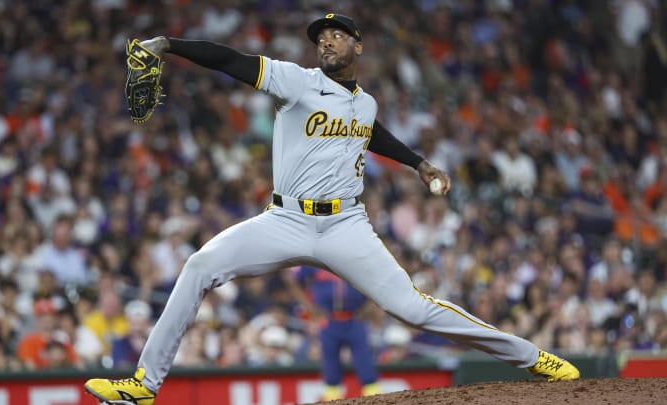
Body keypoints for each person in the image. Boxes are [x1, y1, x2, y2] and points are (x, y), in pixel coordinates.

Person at [85, 13, 579, 405]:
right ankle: (143, 385)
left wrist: (419, 163)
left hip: (345, 223)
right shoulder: (296, 81)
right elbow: (231, 60)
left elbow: (371, 131)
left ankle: (533, 358)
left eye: (337, 35)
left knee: (412, 308)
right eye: (321, 36)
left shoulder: (366, 104)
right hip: (285, 219)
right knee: (199, 266)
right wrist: (170, 45)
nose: (326, 42)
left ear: (357, 47)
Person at [287, 266, 380, 401]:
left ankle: (376, 400)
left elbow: (379, 280)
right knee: (331, 369)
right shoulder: (315, 261)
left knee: (365, 365)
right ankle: (332, 399)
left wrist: (370, 305)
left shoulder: (356, 259)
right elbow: (293, 280)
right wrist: (309, 307)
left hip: (355, 319)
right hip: (329, 321)